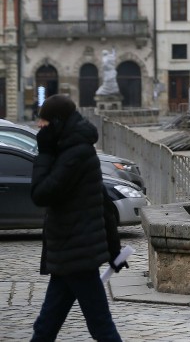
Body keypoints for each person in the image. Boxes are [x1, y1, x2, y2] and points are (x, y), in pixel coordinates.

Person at [30, 94, 127, 341]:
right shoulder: (73, 149)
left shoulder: (75, 154)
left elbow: (41, 193)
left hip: (77, 255)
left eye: (44, 122)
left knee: (101, 327)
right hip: (68, 255)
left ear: (58, 123)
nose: (40, 127)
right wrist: (114, 250)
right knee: (45, 328)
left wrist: (44, 153)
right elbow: (103, 203)